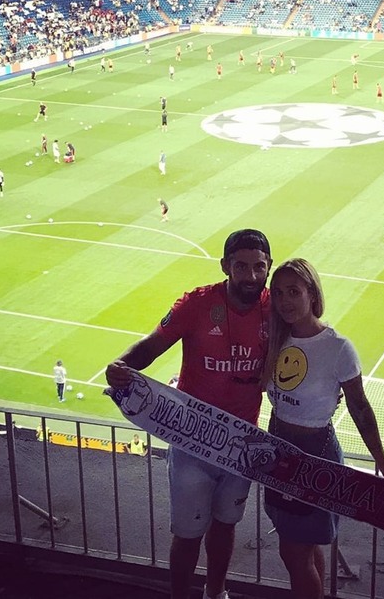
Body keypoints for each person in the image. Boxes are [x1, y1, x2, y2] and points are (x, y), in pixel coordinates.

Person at [105, 228, 272, 599]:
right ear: (226, 266)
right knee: (187, 533)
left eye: (259, 267)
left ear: (269, 267)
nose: (251, 276)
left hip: (241, 442)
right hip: (192, 440)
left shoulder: (276, 308)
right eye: (241, 267)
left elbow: (301, 354)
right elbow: (153, 344)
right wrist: (122, 366)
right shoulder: (197, 304)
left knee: (226, 525)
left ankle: (216, 593)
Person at [261, 258, 384, 599]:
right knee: (306, 548)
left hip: (315, 456)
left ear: (313, 294)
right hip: (278, 452)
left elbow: (360, 408)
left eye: (294, 291)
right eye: (279, 292)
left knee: (293, 552)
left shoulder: (338, 348)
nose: (285, 300)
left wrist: (383, 464)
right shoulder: (274, 339)